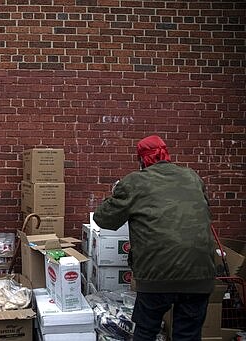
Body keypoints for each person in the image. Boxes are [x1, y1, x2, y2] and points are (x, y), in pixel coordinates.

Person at [93, 135, 215, 340]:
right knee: (188, 335)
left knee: (147, 331)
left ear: (141, 160)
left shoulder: (134, 181)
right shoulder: (192, 177)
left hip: (157, 273)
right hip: (200, 273)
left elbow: (104, 219)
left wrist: (115, 193)